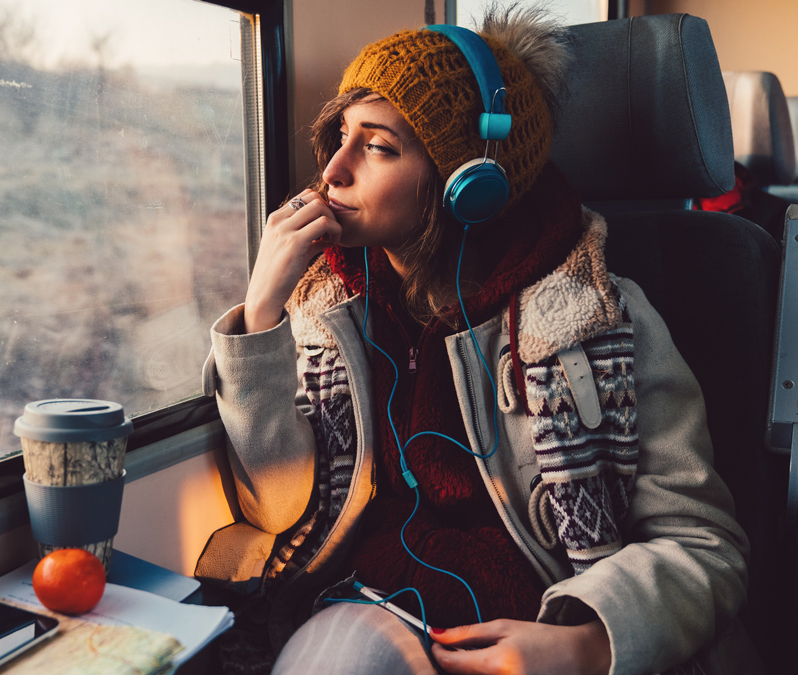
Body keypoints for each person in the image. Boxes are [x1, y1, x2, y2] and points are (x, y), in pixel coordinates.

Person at [200, 7, 753, 675]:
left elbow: (704, 545)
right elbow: (278, 505)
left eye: (377, 146)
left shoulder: (598, 319)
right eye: (340, 135)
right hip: (374, 605)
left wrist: (586, 643)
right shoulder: (326, 311)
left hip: (548, 615)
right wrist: (262, 312)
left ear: (470, 181)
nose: (333, 170)